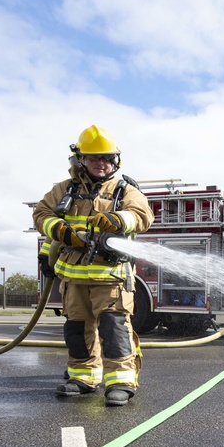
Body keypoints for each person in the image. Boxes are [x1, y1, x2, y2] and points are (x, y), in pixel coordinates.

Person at [32, 125, 155, 407]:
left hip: (111, 278)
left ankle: (121, 381)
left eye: (108, 158)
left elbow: (143, 215)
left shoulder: (124, 190)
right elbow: (41, 213)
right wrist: (60, 230)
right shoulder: (64, 190)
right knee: (77, 329)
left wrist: (118, 220)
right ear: (81, 160)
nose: (102, 164)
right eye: (95, 158)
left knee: (114, 329)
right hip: (73, 278)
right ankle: (84, 376)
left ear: (116, 160)